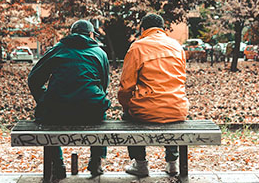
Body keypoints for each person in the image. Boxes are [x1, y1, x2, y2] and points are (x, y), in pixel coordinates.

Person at [28, 20, 111, 180]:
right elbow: (104, 85)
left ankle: (58, 165)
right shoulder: (100, 53)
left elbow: (34, 79)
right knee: (100, 112)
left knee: (47, 119)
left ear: (71, 33)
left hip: (57, 109)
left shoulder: (58, 49)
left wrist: (44, 99)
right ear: (91, 34)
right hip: (91, 110)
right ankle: (96, 162)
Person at [118, 14, 189, 177]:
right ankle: (172, 163)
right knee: (170, 116)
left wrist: (126, 105)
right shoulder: (177, 46)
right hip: (177, 108)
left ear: (143, 29)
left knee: (128, 117)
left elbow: (126, 86)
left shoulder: (137, 47)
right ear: (163, 29)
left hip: (146, 110)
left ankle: (140, 163)